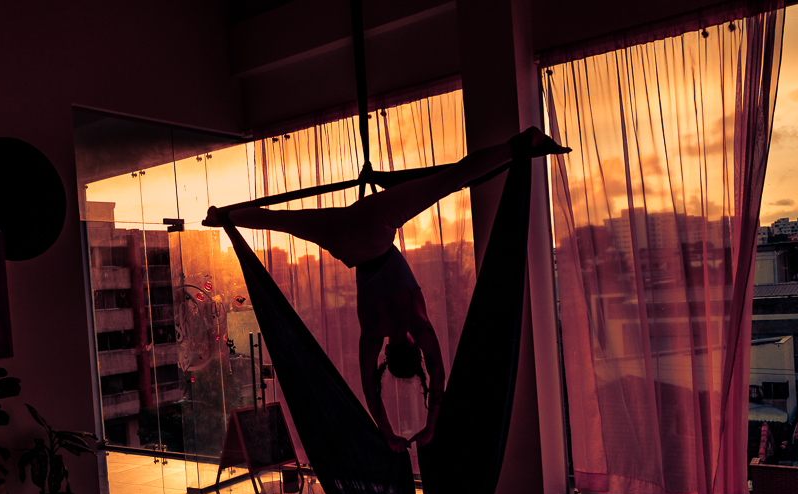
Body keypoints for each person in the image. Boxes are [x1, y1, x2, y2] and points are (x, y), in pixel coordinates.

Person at [203, 127, 570, 451]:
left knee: (451, 179)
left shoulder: (417, 323)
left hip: (376, 230)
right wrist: (388, 431)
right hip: (344, 245)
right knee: (276, 221)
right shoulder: (372, 336)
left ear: (413, 347)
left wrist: (430, 425)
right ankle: (222, 217)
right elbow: (370, 391)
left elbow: (439, 378)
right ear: (387, 356)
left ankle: (522, 144)